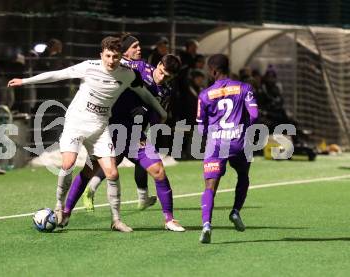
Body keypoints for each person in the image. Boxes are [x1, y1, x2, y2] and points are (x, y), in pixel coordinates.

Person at [8, 36, 167, 233]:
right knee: (68, 163)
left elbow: (144, 94)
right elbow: (57, 75)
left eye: (115, 57)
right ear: (101, 55)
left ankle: (116, 221)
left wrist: (161, 111)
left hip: (100, 128)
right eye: (108, 56)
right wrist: (24, 81)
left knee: (112, 173)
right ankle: (59, 206)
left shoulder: (127, 74)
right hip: (76, 124)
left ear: (120, 57)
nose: (111, 61)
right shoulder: (88, 67)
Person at [80, 35, 185, 232]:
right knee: (105, 164)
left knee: (148, 167)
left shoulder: (166, 91)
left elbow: (157, 116)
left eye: (168, 76)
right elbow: (113, 63)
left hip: (137, 131)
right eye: (161, 71)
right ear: (159, 64)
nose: (162, 77)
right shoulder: (139, 68)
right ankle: (66, 208)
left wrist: (150, 122)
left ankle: (164, 215)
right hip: (113, 125)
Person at [196, 54, 258, 244]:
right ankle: (235, 211)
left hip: (216, 144)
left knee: (210, 187)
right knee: (243, 176)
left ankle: (206, 225)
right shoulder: (245, 88)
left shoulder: (204, 95)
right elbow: (254, 115)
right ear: (228, 67)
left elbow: (200, 127)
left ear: (212, 70)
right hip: (239, 142)